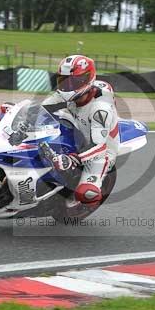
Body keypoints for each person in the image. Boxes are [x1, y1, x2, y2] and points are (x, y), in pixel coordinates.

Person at [41, 55, 119, 209]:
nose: (67, 86)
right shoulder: (68, 93)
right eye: (63, 80)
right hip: (77, 128)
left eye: (73, 81)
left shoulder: (100, 110)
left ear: (87, 80)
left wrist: (72, 159)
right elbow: (41, 108)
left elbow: (98, 146)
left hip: (100, 150)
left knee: (86, 194)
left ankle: (81, 189)